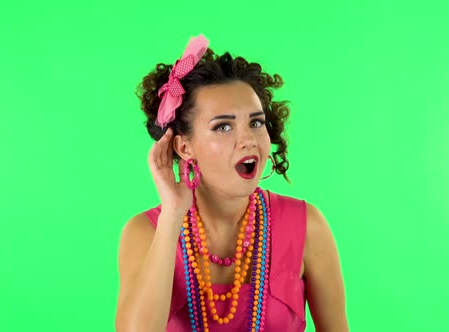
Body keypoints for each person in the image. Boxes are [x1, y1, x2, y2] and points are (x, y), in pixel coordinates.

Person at [115, 34, 349, 332]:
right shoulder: (143, 232)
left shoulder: (308, 226)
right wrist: (172, 214)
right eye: (223, 126)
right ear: (184, 147)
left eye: (256, 122)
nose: (248, 140)